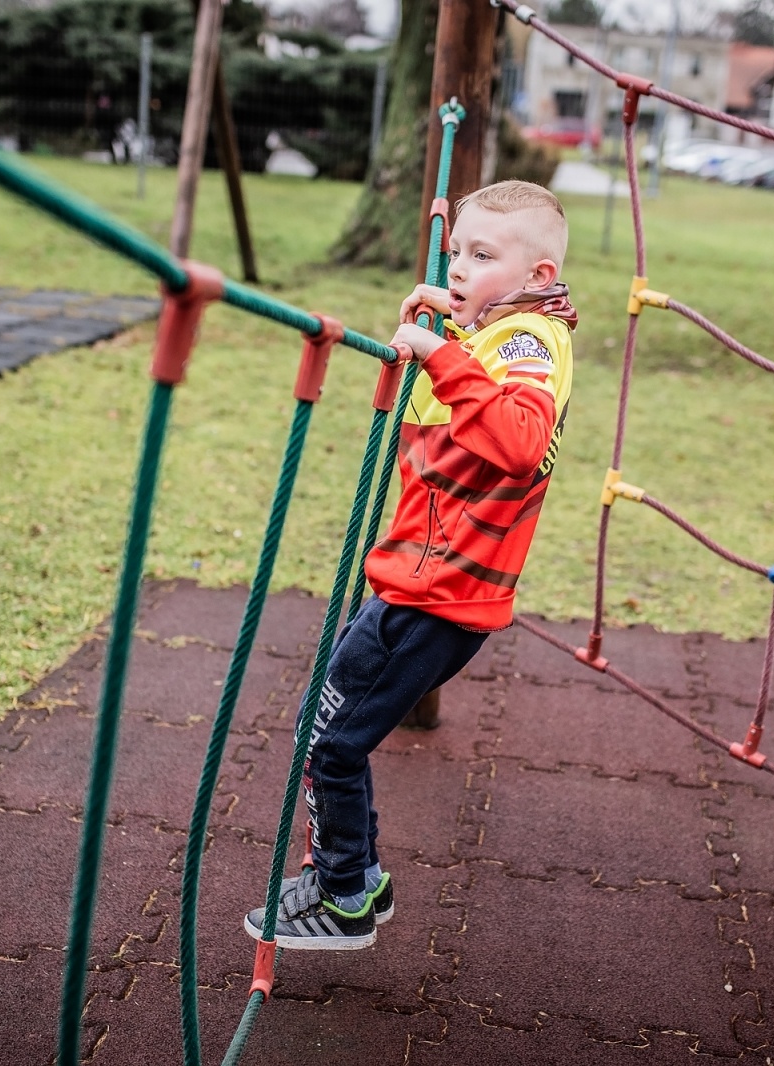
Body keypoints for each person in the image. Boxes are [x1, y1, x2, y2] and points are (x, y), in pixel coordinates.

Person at [244, 181, 577, 949]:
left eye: (481, 255)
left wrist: (439, 353)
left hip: (440, 597)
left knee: (329, 742)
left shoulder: (529, 342)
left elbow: (522, 443)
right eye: (457, 250)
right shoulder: (496, 332)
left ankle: (346, 897)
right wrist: (448, 337)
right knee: (323, 733)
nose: (458, 266)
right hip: (416, 582)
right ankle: (356, 878)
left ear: (539, 278)